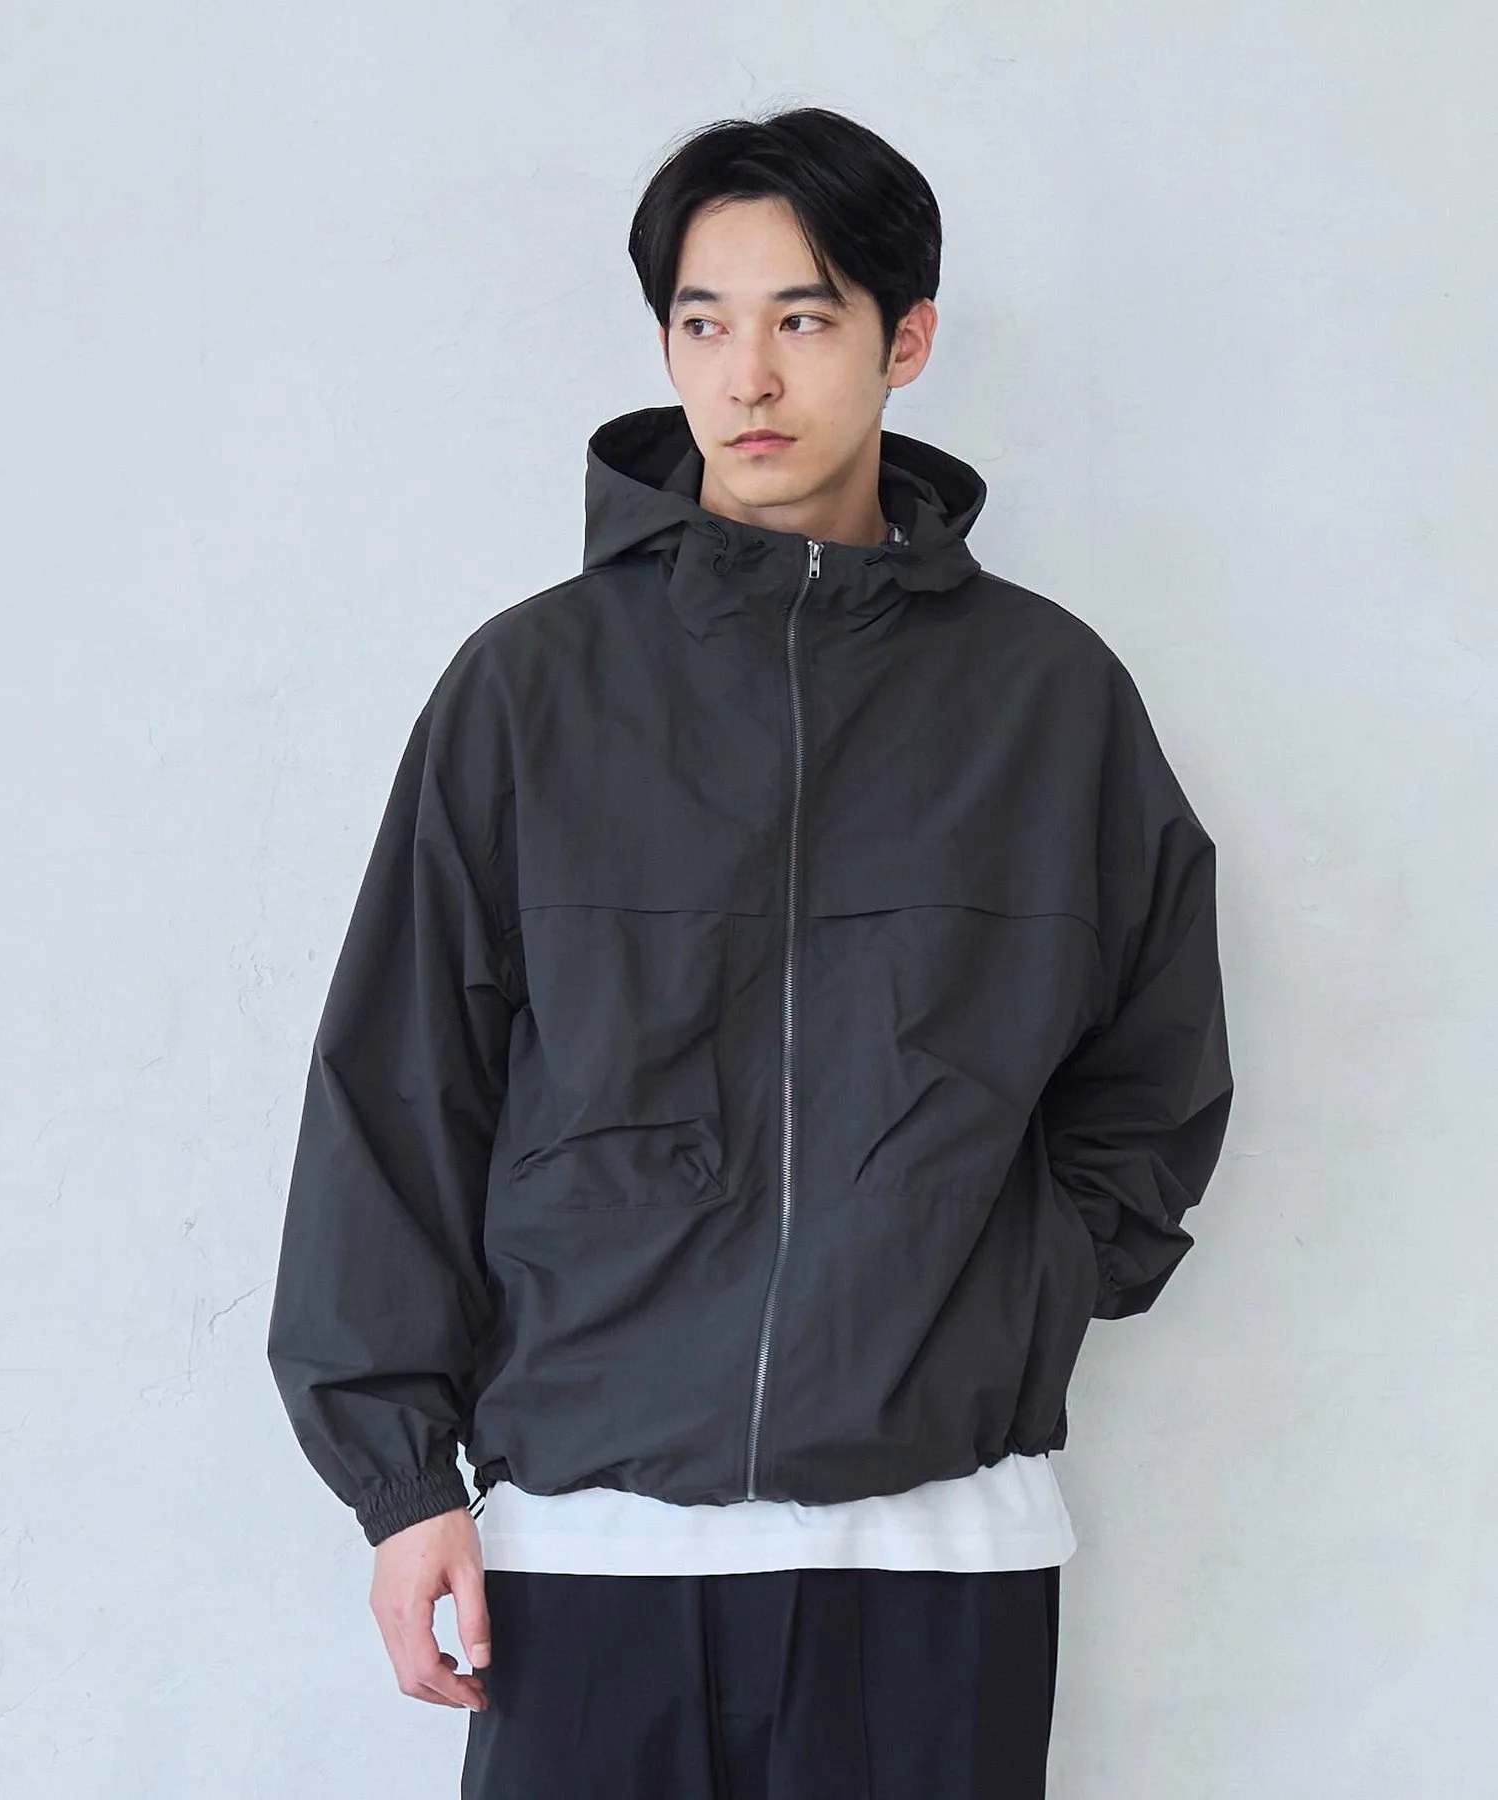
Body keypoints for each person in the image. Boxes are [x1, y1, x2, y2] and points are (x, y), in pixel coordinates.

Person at [266, 105, 1233, 1799]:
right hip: (587, 1549)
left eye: (803, 317)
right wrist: (401, 1483)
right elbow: (401, 1089)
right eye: (703, 324)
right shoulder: (530, 691)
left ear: (904, 340)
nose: (749, 376)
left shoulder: (1049, 700)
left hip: (939, 1554)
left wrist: (1022, 1288)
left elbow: (1154, 1069)